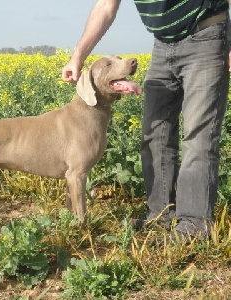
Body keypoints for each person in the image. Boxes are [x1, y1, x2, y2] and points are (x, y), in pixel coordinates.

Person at [62, 0, 231, 239]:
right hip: (163, 44)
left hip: (206, 35)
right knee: (155, 134)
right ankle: (161, 215)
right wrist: (78, 56)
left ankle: (194, 225)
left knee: (198, 136)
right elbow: (105, 7)